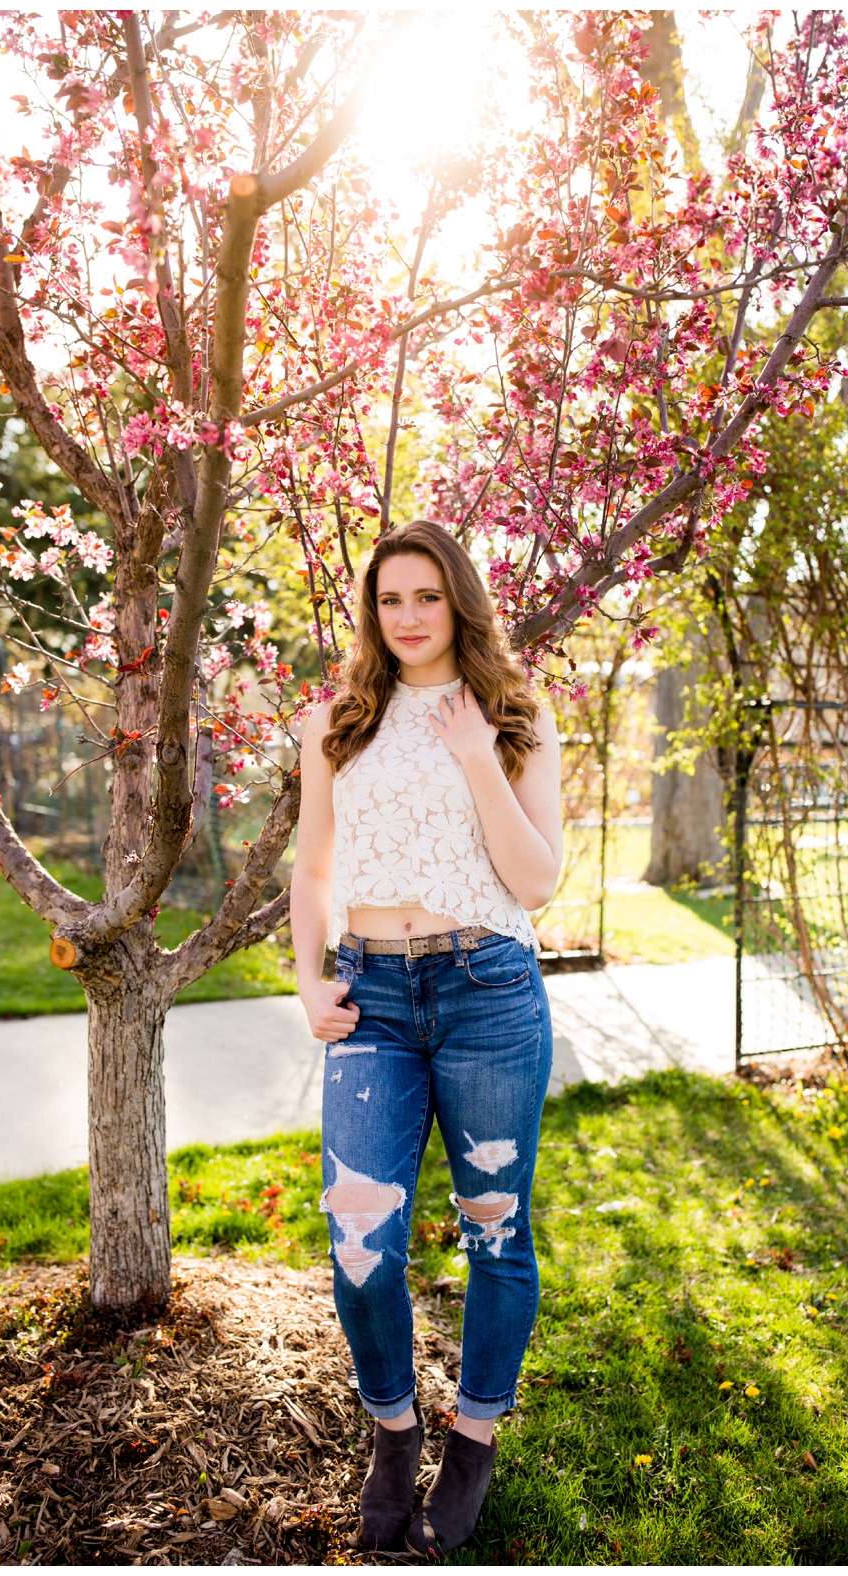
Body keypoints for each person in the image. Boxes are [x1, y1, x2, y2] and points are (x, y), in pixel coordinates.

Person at [288, 519, 563, 1556]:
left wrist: (476, 756)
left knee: (495, 1227)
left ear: (459, 601)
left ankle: (475, 1437)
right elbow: (313, 871)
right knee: (360, 1245)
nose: (406, 617)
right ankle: (394, 1433)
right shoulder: (338, 721)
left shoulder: (514, 714)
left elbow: (536, 882)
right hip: (373, 999)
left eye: (426, 597)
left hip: (487, 987)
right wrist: (307, 979)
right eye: (388, 599)